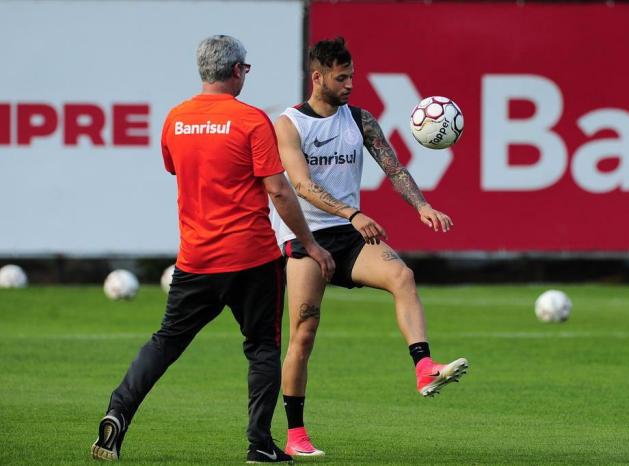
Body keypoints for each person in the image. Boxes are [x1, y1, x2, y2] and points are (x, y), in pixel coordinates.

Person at [90, 35, 334, 464]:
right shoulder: (251, 120)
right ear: (237, 70)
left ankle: (118, 411)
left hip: (196, 258)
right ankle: (259, 444)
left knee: (165, 341)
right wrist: (309, 243)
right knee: (261, 348)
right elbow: (278, 189)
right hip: (252, 258)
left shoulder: (176, 119)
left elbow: (176, 167)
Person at [271, 37, 468, 457]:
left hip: (348, 237)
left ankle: (424, 368)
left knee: (402, 276)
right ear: (318, 77)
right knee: (303, 334)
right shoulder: (289, 123)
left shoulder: (360, 120)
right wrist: (353, 214)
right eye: (341, 78)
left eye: (352, 77)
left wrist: (422, 206)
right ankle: (295, 436)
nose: (350, 85)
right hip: (306, 236)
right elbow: (302, 186)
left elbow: (394, 168)